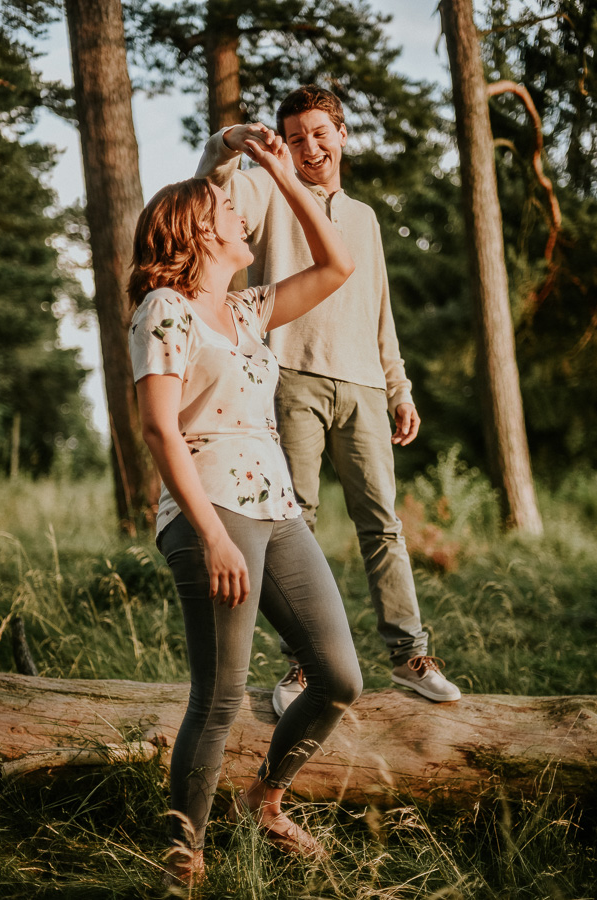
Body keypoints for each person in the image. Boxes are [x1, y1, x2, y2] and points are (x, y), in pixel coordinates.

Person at [127, 137, 362, 885]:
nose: (240, 213)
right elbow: (160, 427)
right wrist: (209, 537)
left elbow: (337, 266)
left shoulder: (249, 308)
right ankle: (183, 849)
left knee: (338, 677)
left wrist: (289, 178)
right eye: (228, 206)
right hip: (210, 507)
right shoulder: (163, 310)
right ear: (199, 231)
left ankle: (264, 799)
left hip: (276, 505)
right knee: (221, 693)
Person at [196, 84, 461, 713]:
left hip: (365, 384)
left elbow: (380, 311)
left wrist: (399, 387)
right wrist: (231, 142)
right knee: (298, 523)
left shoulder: (366, 218)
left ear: (341, 135)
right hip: (291, 376)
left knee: (383, 525)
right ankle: (304, 667)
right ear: (283, 145)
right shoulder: (264, 191)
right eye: (295, 138)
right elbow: (206, 199)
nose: (309, 147)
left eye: (319, 133)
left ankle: (409, 655)